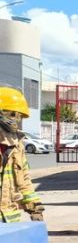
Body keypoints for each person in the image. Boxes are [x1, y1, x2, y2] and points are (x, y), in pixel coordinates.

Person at [0, 87, 44, 222]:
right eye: (13, 114)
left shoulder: (18, 145)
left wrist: (35, 208)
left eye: (19, 116)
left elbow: (24, 179)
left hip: (10, 219)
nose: (17, 120)